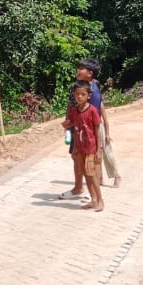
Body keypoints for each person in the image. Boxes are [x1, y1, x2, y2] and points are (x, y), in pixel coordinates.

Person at [78, 59, 121, 188]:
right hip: (86, 126)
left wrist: (107, 129)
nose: (78, 71)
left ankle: (117, 176)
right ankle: (100, 177)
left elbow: (100, 105)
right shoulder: (81, 89)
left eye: (81, 68)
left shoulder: (95, 85)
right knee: (93, 152)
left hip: (97, 125)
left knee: (106, 151)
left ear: (90, 73)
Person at [62, 81, 104, 211]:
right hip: (80, 148)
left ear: (89, 95)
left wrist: (99, 150)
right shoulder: (74, 111)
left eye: (83, 94)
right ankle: (94, 200)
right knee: (86, 174)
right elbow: (75, 129)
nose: (79, 97)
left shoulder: (92, 111)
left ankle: (100, 200)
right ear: (74, 95)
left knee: (92, 175)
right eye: (77, 94)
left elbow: (97, 130)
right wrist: (74, 147)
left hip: (91, 148)